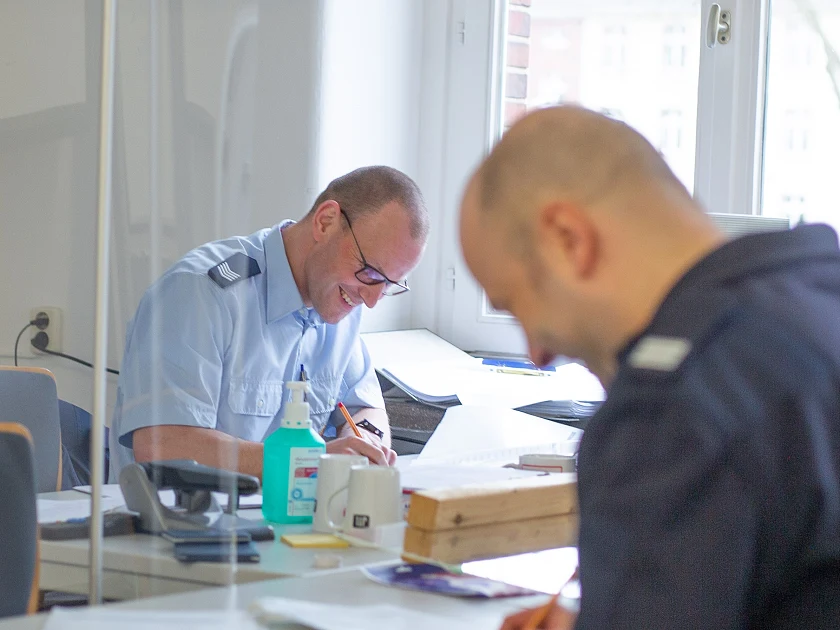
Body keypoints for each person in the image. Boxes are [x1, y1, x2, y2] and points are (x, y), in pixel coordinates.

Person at [459, 106, 840, 629]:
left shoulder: (670, 410)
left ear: (568, 238)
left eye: (517, 304)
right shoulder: (816, 298)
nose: (535, 353)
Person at [110, 165, 428, 480]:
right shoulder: (200, 292)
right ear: (326, 222)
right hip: (178, 523)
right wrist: (308, 462)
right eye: (370, 272)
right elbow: (162, 446)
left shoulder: (343, 299)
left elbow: (366, 407)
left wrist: (367, 445)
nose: (371, 300)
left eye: (387, 285)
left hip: (283, 524)